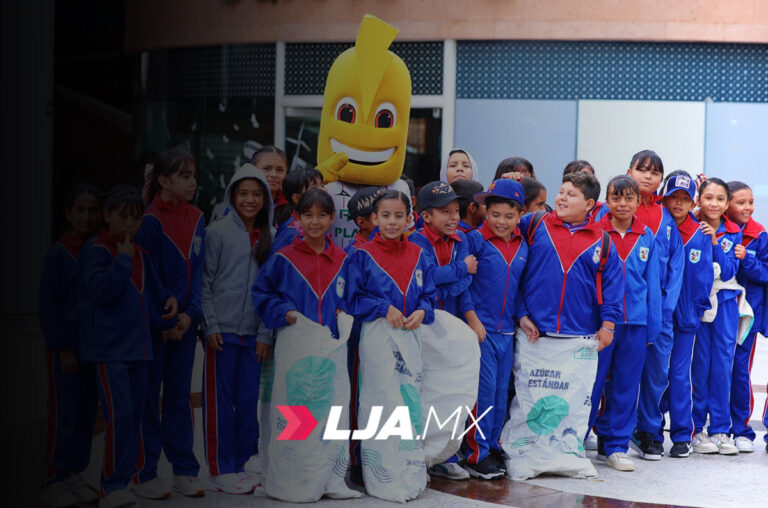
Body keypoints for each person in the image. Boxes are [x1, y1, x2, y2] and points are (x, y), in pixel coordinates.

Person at [506, 171, 623, 478]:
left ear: (589, 204)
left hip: (578, 338)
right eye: (561, 191)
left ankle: (568, 455)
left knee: (571, 403)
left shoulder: (603, 242)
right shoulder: (534, 225)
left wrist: (608, 327)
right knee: (531, 402)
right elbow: (514, 273)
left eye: (570, 195)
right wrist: (521, 313)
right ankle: (524, 453)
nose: (561, 198)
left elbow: (613, 288)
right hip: (536, 335)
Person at [78, 186, 178, 508]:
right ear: (107, 216)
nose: (130, 225)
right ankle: (111, 486)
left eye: (136, 219)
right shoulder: (98, 251)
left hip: (140, 351)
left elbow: (153, 297)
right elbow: (100, 290)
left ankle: (128, 479)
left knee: (134, 416)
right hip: (110, 353)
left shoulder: (142, 254)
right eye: (122, 217)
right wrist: (122, 260)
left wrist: (170, 303)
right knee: (119, 416)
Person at [595, 151, 683, 461]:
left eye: (654, 172)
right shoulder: (599, 225)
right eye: (641, 170)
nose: (647, 176)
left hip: (645, 315)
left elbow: (669, 272)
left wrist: (659, 317)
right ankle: (589, 435)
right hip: (605, 319)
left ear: (660, 179)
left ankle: (639, 435)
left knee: (644, 379)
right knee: (598, 382)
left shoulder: (660, 223)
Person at [134, 148, 206, 499]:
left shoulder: (197, 217)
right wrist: (163, 319)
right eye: (184, 176)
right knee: (148, 397)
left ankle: (184, 470)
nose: (193, 182)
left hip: (185, 324)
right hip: (154, 327)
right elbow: (146, 277)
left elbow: (200, 273)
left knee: (179, 396)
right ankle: (146, 473)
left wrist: (190, 315)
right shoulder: (147, 221)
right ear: (163, 181)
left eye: (194, 175)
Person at [201, 164, 274, 494]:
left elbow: (271, 289)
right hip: (222, 334)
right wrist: (210, 326)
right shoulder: (217, 232)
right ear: (232, 195)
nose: (250, 199)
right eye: (243, 193)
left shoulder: (267, 235)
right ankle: (221, 467)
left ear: (266, 198)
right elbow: (205, 284)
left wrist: (264, 334)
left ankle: (245, 462)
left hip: (253, 335)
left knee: (247, 402)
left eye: (257, 194)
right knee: (220, 403)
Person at [460, 179, 535, 480]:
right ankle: (475, 454)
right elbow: (463, 286)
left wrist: (523, 316)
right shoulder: (474, 240)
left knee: (502, 393)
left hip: (507, 331)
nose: (501, 221)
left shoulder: (522, 245)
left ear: (520, 215)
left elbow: (517, 289)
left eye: (508, 216)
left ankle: (491, 447)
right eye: (495, 214)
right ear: (484, 212)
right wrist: (472, 318)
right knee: (484, 393)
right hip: (481, 330)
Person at [589, 176, 661, 472]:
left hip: (636, 323)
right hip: (602, 323)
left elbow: (653, 284)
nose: (622, 204)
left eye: (628, 198)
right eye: (616, 198)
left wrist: (652, 327)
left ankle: (617, 446)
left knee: (627, 386)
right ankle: (574, 441)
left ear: (637, 201)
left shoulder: (646, 236)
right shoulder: (595, 233)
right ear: (607, 200)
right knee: (591, 384)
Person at [408, 181, 478, 481]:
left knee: (448, 390)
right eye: (444, 212)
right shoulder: (416, 241)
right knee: (420, 388)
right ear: (425, 216)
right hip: (421, 323)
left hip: (451, 328)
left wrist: (454, 279)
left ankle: (445, 455)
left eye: (456, 211)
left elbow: (464, 287)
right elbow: (426, 278)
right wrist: (461, 269)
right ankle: (414, 451)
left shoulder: (461, 240)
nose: (453, 217)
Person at [39, 184, 102, 507]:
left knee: (85, 415)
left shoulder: (97, 250)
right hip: (67, 352)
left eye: (93, 211)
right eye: (80, 210)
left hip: (92, 350)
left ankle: (75, 473)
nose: (87, 216)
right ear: (67, 213)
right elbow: (48, 307)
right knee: (63, 414)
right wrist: (62, 347)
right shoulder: (58, 254)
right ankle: (55, 477)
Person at [659, 171, 714, 458]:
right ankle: (651, 432)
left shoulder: (700, 232)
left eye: (684, 199)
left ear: (692, 202)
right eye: (673, 198)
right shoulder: (657, 227)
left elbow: (704, 274)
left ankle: (682, 434)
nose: (678, 204)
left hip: (686, 316)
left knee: (680, 375)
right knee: (655, 374)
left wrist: (698, 308)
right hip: (659, 314)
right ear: (664, 198)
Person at [691, 177, 743, 455]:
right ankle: (698, 429)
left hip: (725, 304)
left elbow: (727, 270)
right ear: (699, 199)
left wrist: (713, 240)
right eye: (708, 197)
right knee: (700, 365)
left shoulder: (733, 232)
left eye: (720, 199)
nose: (714, 203)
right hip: (699, 303)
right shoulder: (689, 225)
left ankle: (721, 429)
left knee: (723, 365)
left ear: (726, 204)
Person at [725, 181, 768, 453]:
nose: (748, 207)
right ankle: (715, 428)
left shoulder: (759, 235)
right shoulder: (716, 230)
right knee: (713, 371)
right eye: (741, 202)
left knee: (740, 372)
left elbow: (765, 274)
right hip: (716, 316)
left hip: (746, 320)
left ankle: (741, 430)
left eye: (750, 202)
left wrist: (746, 259)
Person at [271, 167, 323, 252]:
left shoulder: (321, 224)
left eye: (322, 185)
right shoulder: (290, 232)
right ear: (296, 198)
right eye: (314, 188)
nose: (323, 190)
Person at [344, 186, 382, 254]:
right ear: (362, 222)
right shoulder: (353, 255)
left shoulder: (394, 243)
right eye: (384, 215)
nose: (390, 220)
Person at [251, 146, 288, 212]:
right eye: (266, 168)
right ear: (253, 170)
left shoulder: (292, 203)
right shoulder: (242, 205)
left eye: (279, 170)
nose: (274, 175)